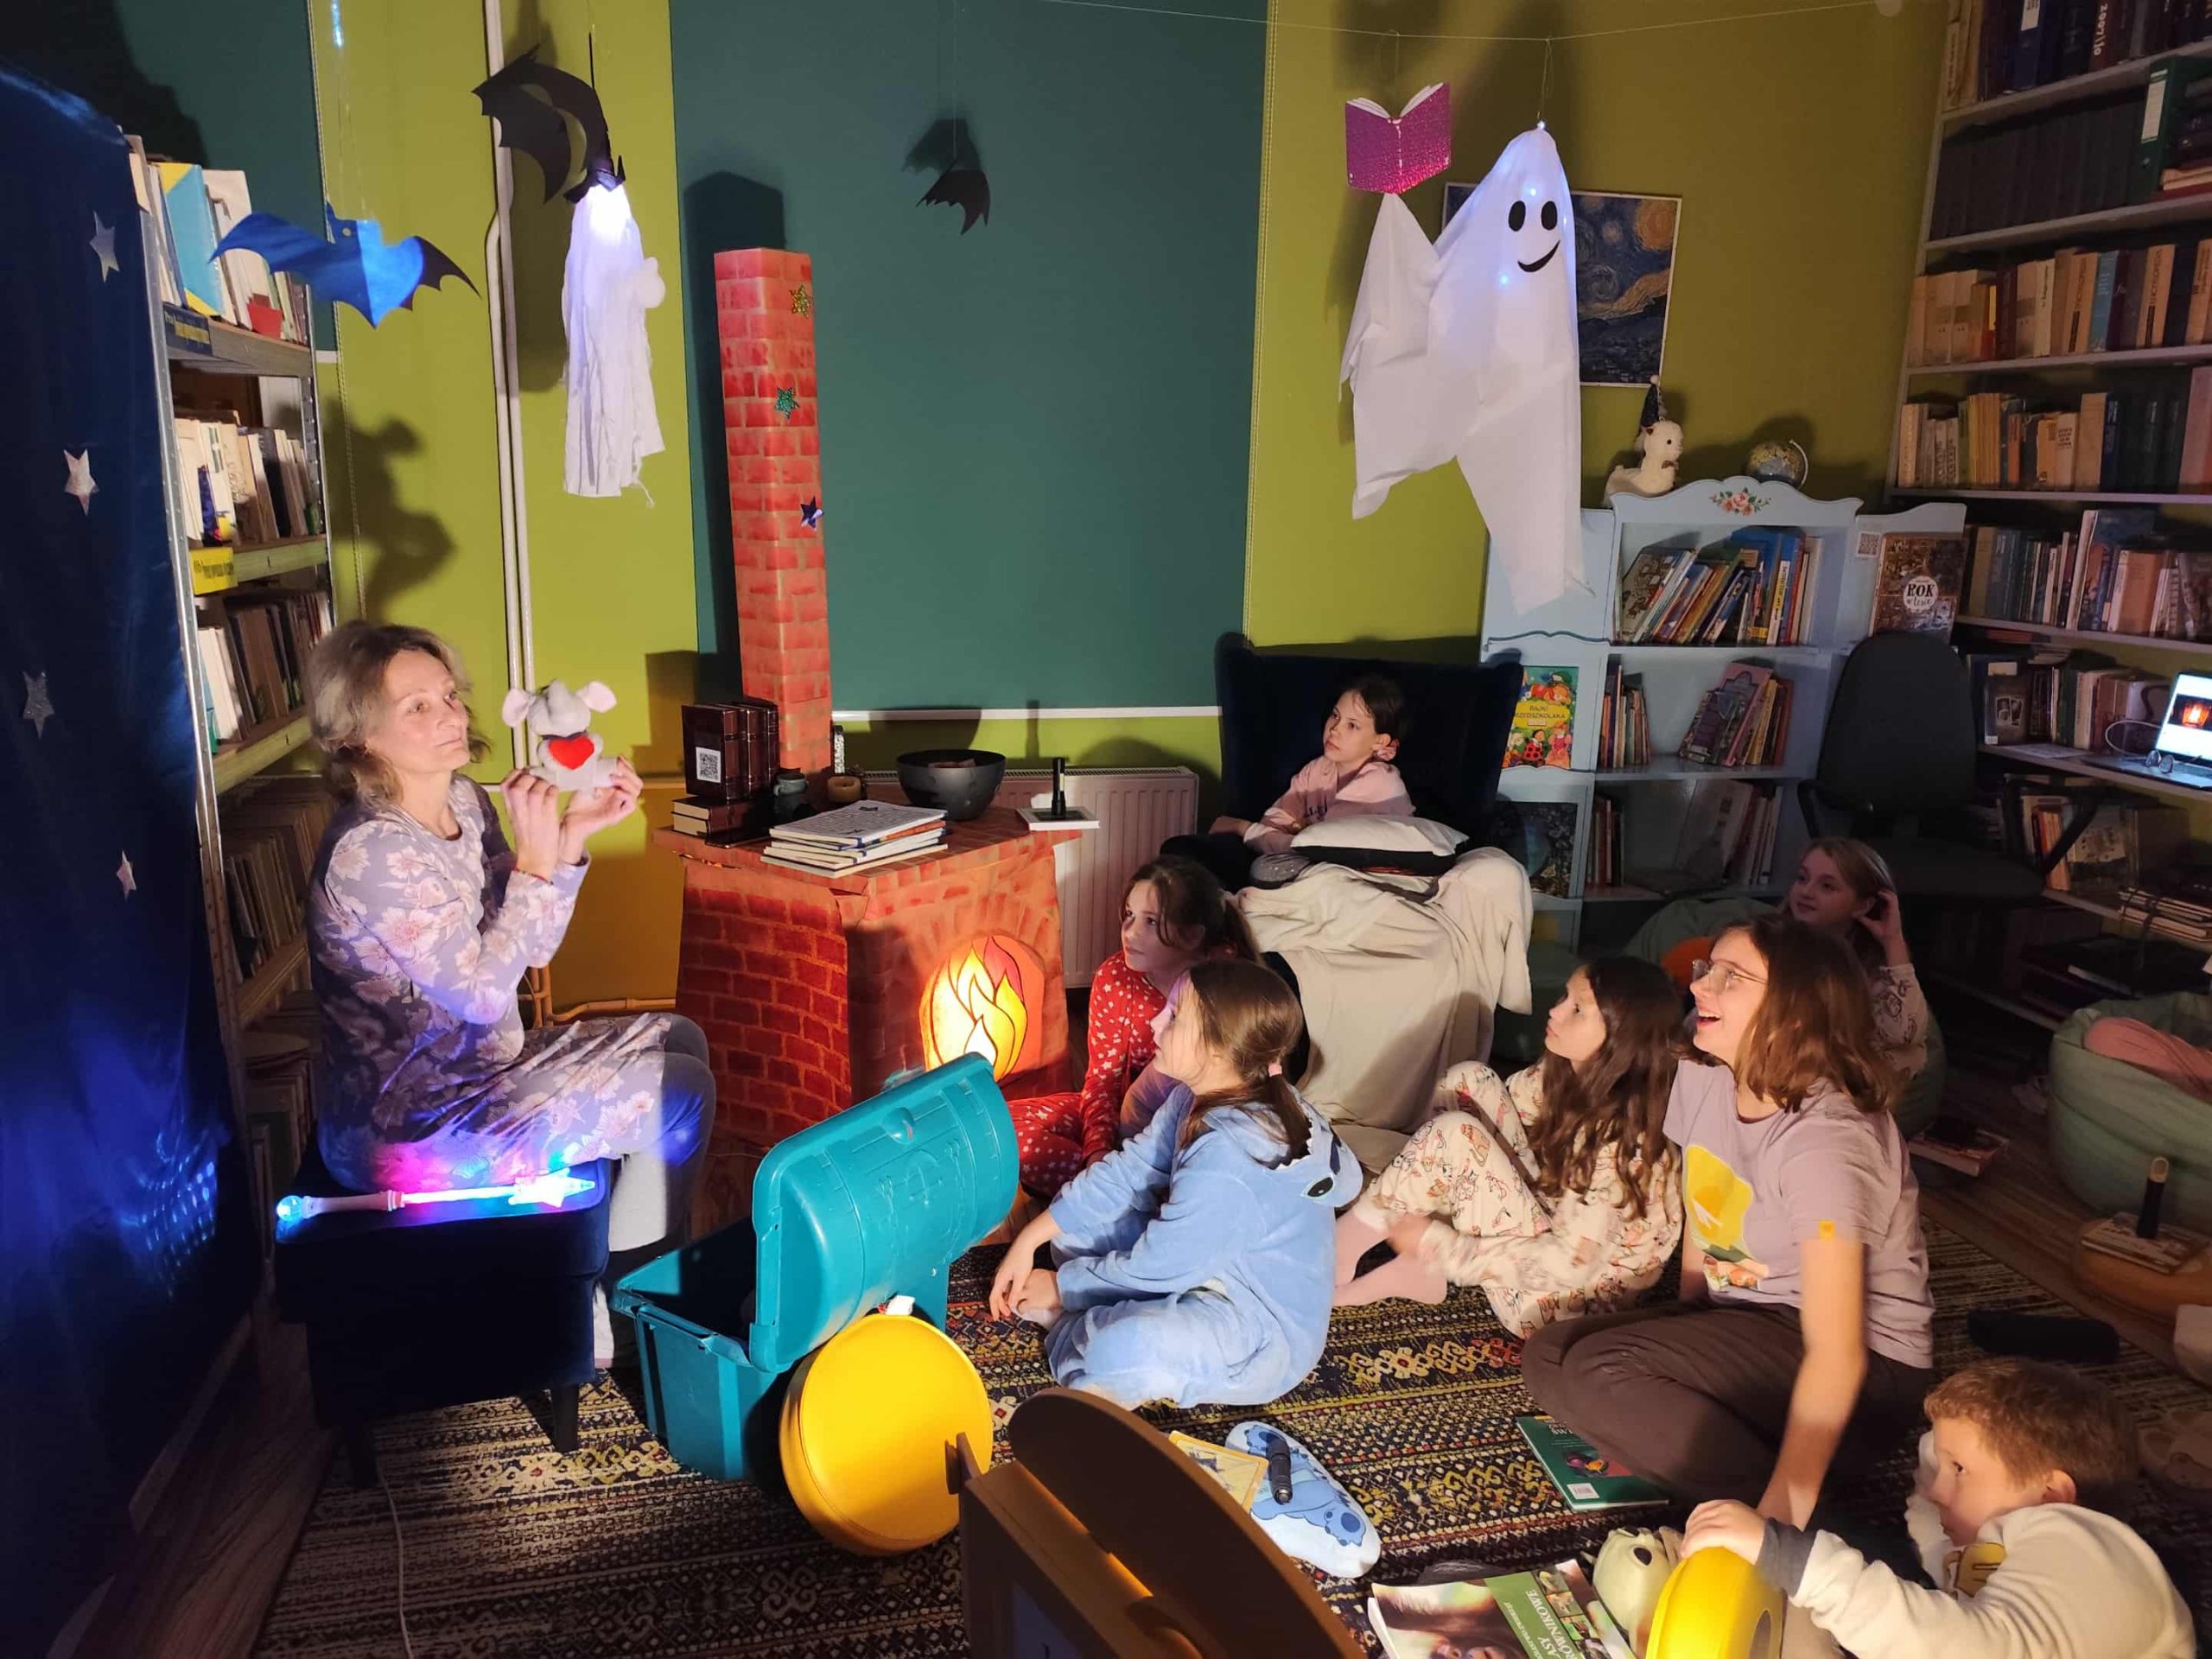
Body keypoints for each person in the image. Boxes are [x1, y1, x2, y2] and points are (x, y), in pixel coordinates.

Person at [302, 622, 715, 1362]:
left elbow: (528, 949)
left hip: (483, 1069)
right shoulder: (373, 852)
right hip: (413, 1127)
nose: (450, 715)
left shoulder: (464, 800)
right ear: (357, 736)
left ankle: (626, 1266)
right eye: (417, 707)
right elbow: (483, 996)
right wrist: (535, 859)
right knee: (677, 1092)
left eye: (449, 696)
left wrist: (572, 837)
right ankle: (625, 1302)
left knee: (682, 1038)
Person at [1521, 912, 1936, 1529]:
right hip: (1755, 1319)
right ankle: (1741, 1456)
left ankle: (1803, 1521)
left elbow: (1838, 1352)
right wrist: (1692, 1316)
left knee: (1601, 1373)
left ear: (1796, 1011)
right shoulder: (1705, 1071)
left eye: (1731, 977)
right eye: (1707, 969)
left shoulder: (1827, 1140)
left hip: (1866, 1370)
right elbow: (1706, 1205)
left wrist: (1787, 1509)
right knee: (1550, 1354)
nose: (1699, 986)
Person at [988, 959, 1359, 1408]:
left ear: (1219, 1050)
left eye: (1176, 1016)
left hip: (1256, 1327)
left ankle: (1075, 1331)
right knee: (1072, 1232)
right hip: (1202, 1265)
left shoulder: (1229, 1159)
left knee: (1115, 1350)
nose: (1156, 1022)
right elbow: (1127, 1172)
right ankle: (1091, 1319)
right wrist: (1029, 1239)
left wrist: (1064, 1288)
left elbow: (1158, 1267)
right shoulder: (1199, 1093)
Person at [1683, 1357, 2193, 1657]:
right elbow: (1930, 1518)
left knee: (1815, 1567)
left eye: (1961, 1470)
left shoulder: (2088, 1549)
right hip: (1967, 1619)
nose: (1935, 1490)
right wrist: (1951, 1448)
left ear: (2051, 1495)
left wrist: (1786, 1556)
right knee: (1835, 1551)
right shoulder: (1984, 1541)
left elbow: (1969, 1650)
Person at [1331, 957, 1684, 1335]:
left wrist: (1442, 1247)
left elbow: (1570, 1267)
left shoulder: (1626, 1144)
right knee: (1469, 1081)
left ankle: (1337, 1255)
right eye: (1564, 997)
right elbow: (1501, 1129)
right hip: (1553, 1217)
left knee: (1457, 1134)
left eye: (1578, 1009)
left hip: (1563, 1307)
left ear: (1620, 1041)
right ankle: (1417, 1271)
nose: (1556, 1010)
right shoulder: (1565, 1070)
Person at [1005, 856, 1259, 1198]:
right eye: (1129, 914)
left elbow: (1242, 1094)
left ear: (1191, 935)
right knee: (1006, 1129)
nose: (1130, 931)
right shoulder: (1115, 977)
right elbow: (1102, 1080)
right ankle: (1120, 1193)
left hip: (1196, 1132)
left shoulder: (1226, 982)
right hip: (1126, 1121)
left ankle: (1118, 1197)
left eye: (1151, 921)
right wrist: (1097, 1152)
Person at [1649, 838, 1930, 1082]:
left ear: (1864, 904)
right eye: (1802, 878)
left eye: (1827, 886)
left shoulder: (1868, 970)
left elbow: (1904, 1035)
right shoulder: (1763, 945)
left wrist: (1892, 939)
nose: (1806, 891)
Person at [1163, 676, 1414, 892]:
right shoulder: (1318, 769)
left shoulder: (1380, 782)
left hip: (1370, 876)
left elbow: (1321, 849)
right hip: (1321, 867)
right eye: (1335, 715)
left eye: (1352, 726)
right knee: (1261, 867)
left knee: (1269, 870)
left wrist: (1244, 829)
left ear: (1380, 741)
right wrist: (1291, 836)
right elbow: (1275, 819)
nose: (1335, 729)